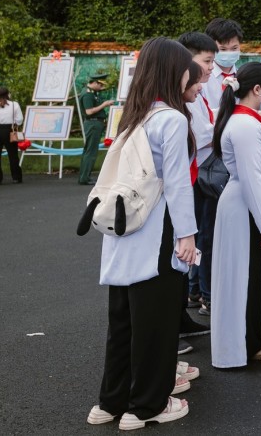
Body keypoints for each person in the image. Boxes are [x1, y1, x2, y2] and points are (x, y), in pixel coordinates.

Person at [89, 38, 197, 428]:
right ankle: (147, 405)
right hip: (157, 231)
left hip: (121, 231)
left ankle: (110, 402)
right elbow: (178, 184)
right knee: (156, 321)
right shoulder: (171, 119)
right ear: (175, 71)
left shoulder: (132, 115)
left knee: (122, 321)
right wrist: (188, 235)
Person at [210, 63, 261, 367]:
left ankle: (260, 336)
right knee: (248, 276)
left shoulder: (249, 120)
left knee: (256, 273)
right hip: (248, 207)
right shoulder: (243, 124)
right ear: (257, 89)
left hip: (255, 204)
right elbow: (250, 177)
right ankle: (251, 342)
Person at [178, 31, 217, 312]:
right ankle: (204, 293)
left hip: (201, 173)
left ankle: (195, 292)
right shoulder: (180, 98)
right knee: (200, 238)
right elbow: (198, 135)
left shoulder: (198, 92)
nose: (211, 68)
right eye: (207, 61)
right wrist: (225, 125)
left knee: (200, 238)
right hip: (197, 175)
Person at [78, 74, 114, 186]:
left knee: (89, 150)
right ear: (94, 83)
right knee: (91, 152)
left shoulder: (91, 92)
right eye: (100, 84)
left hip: (94, 123)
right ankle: (85, 178)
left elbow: (99, 91)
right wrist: (104, 105)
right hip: (93, 123)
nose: (101, 87)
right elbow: (89, 111)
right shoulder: (88, 95)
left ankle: (85, 176)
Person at [201, 18, 244, 103]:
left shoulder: (243, 75)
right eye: (223, 49)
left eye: (234, 48)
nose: (229, 53)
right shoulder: (202, 79)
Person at [0, 86, 24, 185]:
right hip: (8, 130)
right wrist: (14, 124)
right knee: (12, 155)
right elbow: (19, 119)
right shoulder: (14, 105)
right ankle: (16, 177)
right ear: (7, 94)